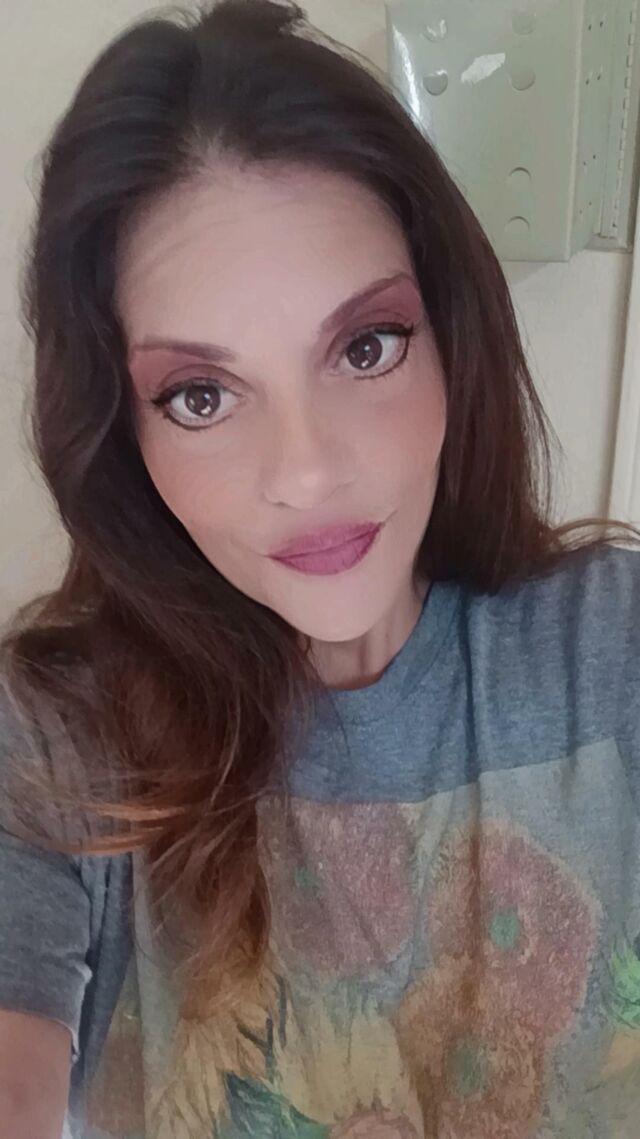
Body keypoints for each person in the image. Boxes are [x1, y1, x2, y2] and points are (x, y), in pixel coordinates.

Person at [1, 0, 639, 1136]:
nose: (305, 472)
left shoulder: (612, 651)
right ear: (123, 436)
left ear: (450, 340)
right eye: (201, 395)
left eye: (365, 345)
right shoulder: (56, 741)